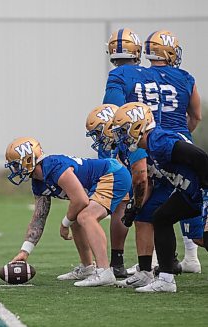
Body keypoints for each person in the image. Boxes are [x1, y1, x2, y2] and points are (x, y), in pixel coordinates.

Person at [6, 137, 131, 287]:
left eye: (15, 164)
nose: (14, 170)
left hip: (113, 174)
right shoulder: (38, 182)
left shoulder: (54, 166)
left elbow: (81, 200)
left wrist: (64, 223)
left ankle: (104, 271)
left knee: (85, 217)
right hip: (102, 180)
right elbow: (39, 217)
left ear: (28, 159)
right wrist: (25, 251)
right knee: (77, 220)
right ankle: (87, 268)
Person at [113, 102, 208, 293]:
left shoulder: (159, 140)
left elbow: (200, 157)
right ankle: (166, 279)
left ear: (138, 126)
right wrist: (135, 206)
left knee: (204, 235)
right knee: (161, 217)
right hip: (190, 192)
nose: (122, 135)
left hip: (201, 190)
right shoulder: (150, 145)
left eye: (124, 130)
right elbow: (152, 181)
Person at [101, 28, 159, 278]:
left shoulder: (117, 76)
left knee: (125, 201)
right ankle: (166, 260)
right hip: (157, 137)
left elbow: (113, 110)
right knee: (159, 201)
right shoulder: (151, 74)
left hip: (133, 138)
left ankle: (117, 261)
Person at [144, 30, 203, 273]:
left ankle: (157, 261)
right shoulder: (185, 78)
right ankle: (191, 257)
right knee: (188, 193)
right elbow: (196, 114)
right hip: (179, 141)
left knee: (160, 200)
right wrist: (185, 134)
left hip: (151, 141)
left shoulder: (142, 76)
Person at [85, 104, 154, 287]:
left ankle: (158, 264)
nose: (98, 138)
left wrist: (137, 204)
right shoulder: (113, 146)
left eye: (99, 132)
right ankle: (140, 264)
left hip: (158, 183)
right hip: (143, 182)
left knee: (144, 216)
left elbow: (143, 175)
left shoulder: (132, 140)